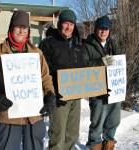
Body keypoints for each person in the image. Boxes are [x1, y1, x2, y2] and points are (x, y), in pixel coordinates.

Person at [0, 10, 56, 150]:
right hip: (8, 115)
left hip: (34, 115)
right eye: (18, 27)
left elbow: (45, 77)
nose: (21, 31)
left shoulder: (36, 53)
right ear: (11, 28)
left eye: (25, 27)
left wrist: (50, 95)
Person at [39, 9, 86, 150]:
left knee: (72, 134)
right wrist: (51, 93)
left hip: (75, 96)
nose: (68, 27)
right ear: (60, 24)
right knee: (58, 135)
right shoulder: (48, 43)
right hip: (58, 96)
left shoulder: (78, 45)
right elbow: (42, 72)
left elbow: (84, 68)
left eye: (71, 24)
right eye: (66, 23)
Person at [84, 16, 121, 150]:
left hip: (113, 87)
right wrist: (101, 62)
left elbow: (119, 61)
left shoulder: (113, 43)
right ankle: (94, 145)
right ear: (96, 29)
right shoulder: (87, 44)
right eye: (101, 29)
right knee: (97, 121)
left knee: (114, 119)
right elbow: (83, 65)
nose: (104, 32)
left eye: (106, 29)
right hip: (96, 88)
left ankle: (109, 143)